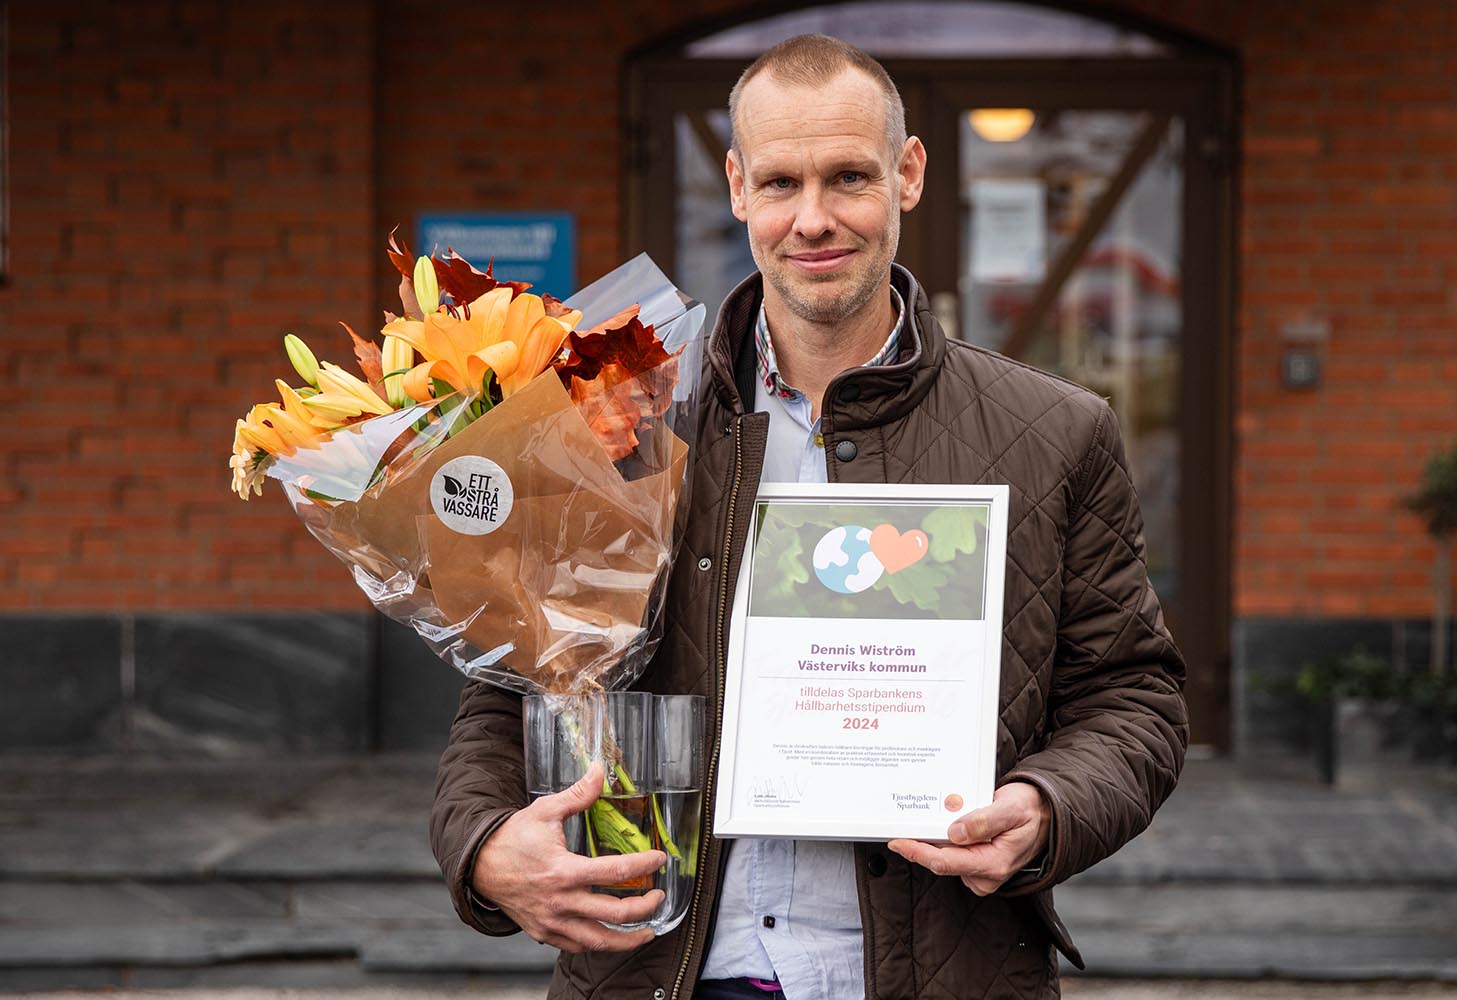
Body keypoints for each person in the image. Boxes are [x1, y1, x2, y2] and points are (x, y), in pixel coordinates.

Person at [431, 34, 1188, 1000]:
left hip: (937, 973)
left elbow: (1136, 700)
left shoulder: (1056, 435)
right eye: (782, 182)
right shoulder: (616, 424)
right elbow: (506, 686)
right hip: (661, 972)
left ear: (908, 176)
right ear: (738, 186)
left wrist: (1048, 805)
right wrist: (485, 844)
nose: (815, 219)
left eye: (849, 178)